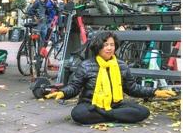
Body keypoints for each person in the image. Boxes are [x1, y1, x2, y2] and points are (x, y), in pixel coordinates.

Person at [45, 31, 176, 124]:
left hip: (116, 105)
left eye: (112, 45)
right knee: (78, 114)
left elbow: (132, 88)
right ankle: (116, 117)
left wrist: (155, 92)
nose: (109, 48)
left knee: (143, 111)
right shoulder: (86, 65)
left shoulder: (121, 65)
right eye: (105, 44)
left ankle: (108, 115)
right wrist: (62, 93)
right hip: (92, 105)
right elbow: (74, 87)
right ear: (98, 47)